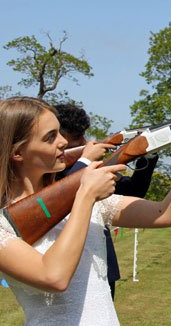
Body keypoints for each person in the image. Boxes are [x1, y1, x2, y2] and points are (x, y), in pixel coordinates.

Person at [0, 96, 171, 325]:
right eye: (50, 137)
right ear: (18, 152)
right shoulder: (5, 224)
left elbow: (167, 214)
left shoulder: (78, 195)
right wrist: (85, 196)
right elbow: (54, 277)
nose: (63, 141)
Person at [54, 103, 159, 300]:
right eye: (77, 138)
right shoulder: (47, 174)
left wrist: (148, 153)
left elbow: (134, 191)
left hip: (102, 267)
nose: (85, 142)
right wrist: (84, 163)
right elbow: (62, 196)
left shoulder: (89, 167)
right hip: (61, 268)